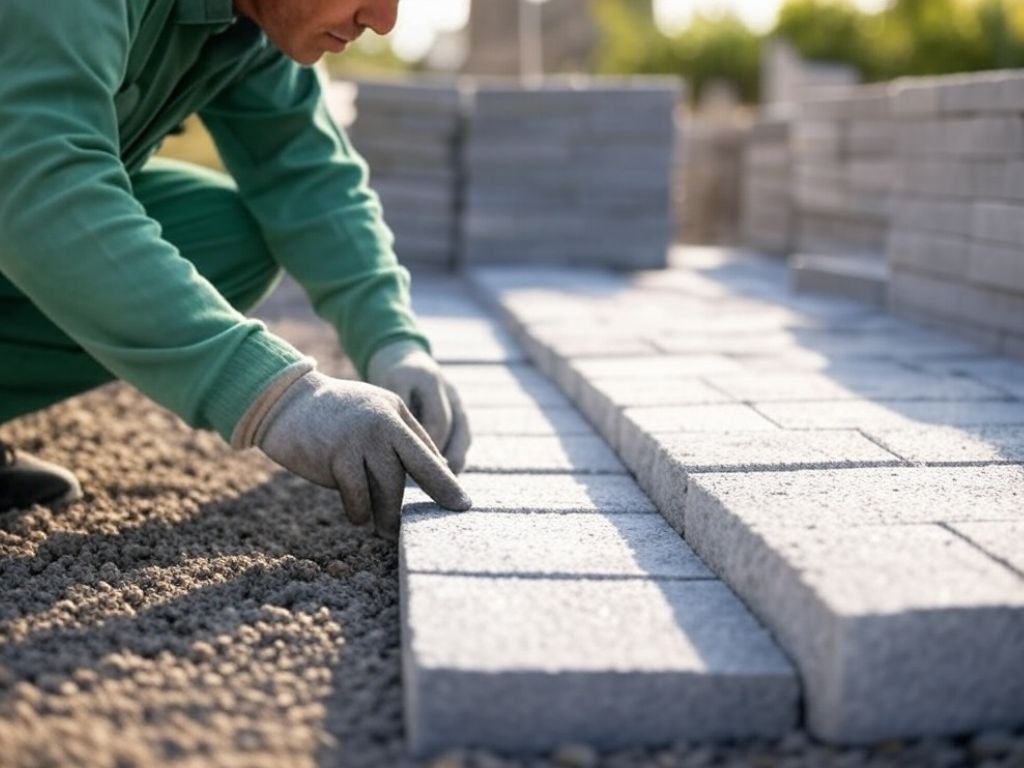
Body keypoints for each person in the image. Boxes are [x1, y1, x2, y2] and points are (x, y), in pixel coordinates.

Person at [0, 0, 473, 540]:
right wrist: (273, 394)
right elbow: (36, 178)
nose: (383, 21)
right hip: (19, 183)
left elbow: (305, 174)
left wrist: (392, 341)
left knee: (228, 236)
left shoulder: (247, 24)